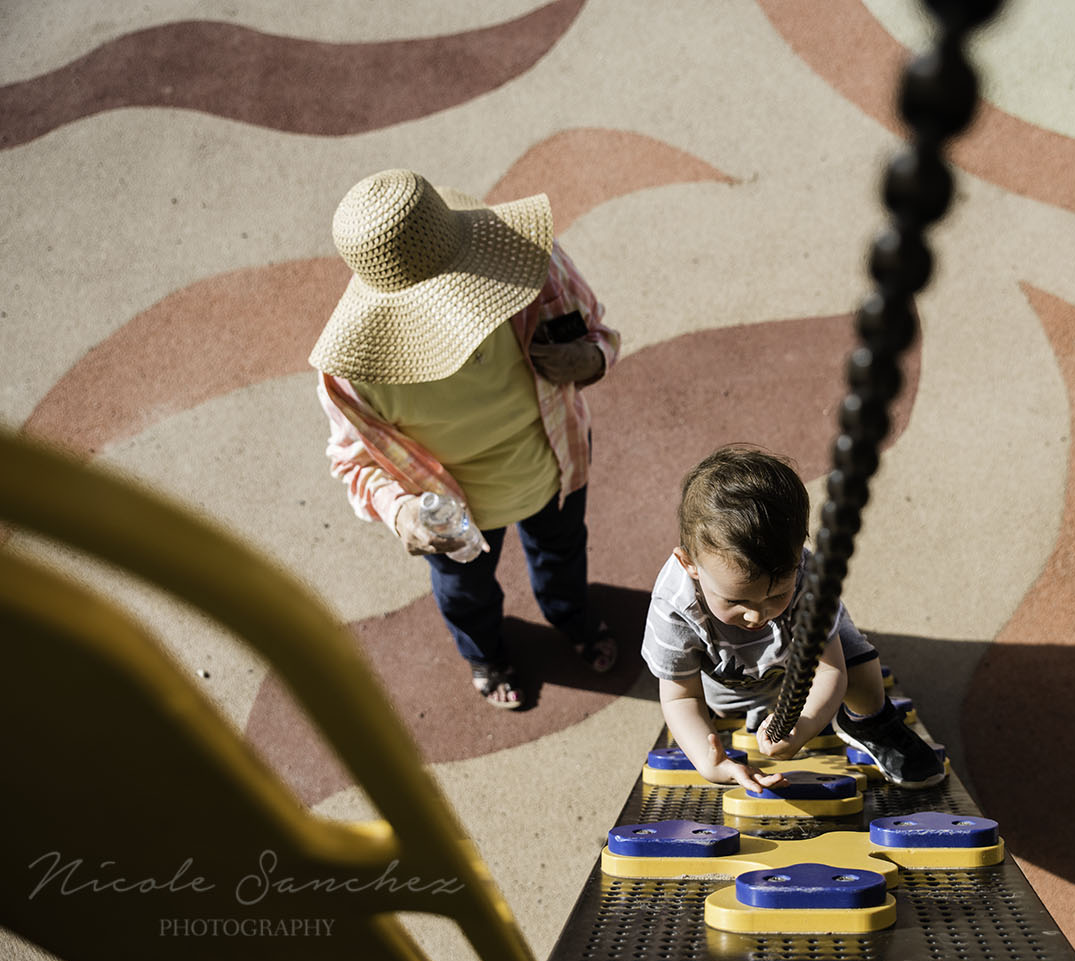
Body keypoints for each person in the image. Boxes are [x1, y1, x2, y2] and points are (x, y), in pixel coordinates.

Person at [311, 168, 619, 709]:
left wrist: (590, 359)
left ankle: (572, 617)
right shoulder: (355, 371)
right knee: (465, 591)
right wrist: (403, 514)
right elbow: (354, 462)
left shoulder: (529, 263)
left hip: (557, 463)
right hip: (454, 511)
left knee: (563, 551)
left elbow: (596, 330)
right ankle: (485, 653)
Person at [642, 444, 946, 789]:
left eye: (776, 595)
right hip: (729, 690)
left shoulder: (807, 579)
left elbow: (831, 669)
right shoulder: (674, 606)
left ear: (798, 559)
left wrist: (805, 723)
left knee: (860, 665)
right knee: (699, 718)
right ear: (689, 566)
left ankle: (868, 722)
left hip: (803, 673)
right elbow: (681, 696)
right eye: (736, 600)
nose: (757, 615)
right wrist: (710, 760)